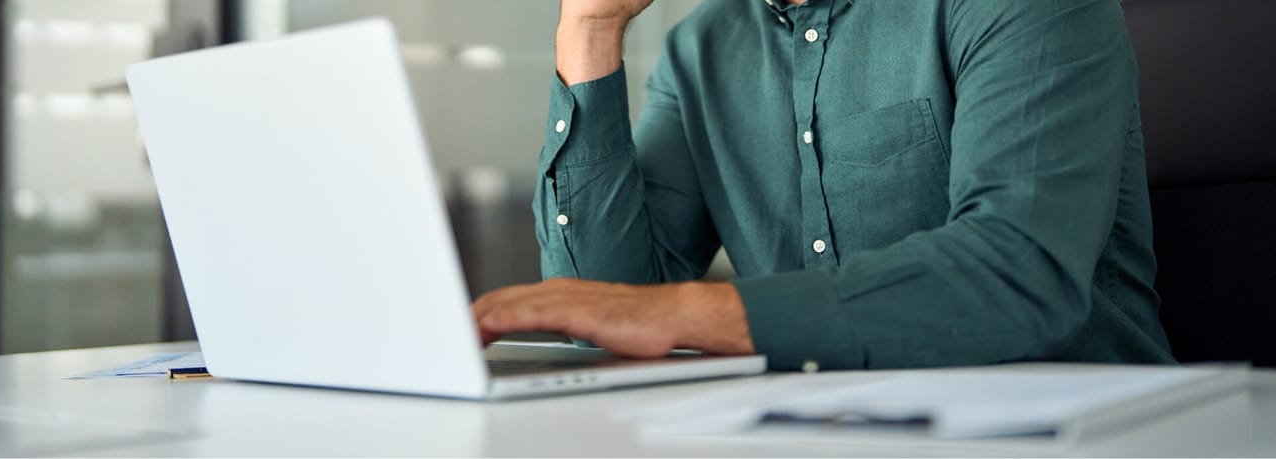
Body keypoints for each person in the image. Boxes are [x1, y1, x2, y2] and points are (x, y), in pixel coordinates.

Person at [471, 0, 1176, 371]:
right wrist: (588, 29)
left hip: (1072, 425)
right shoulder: (702, 47)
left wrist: (689, 314)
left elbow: (1016, 273)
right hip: (821, 429)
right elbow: (607, 308)